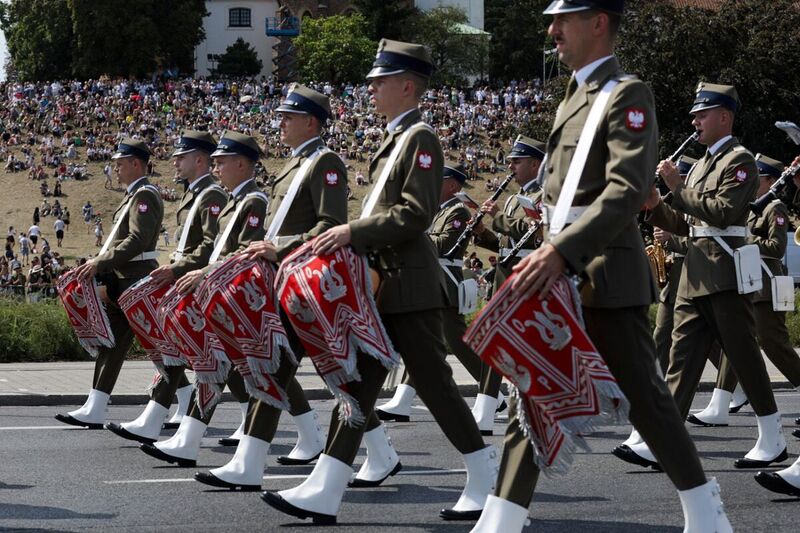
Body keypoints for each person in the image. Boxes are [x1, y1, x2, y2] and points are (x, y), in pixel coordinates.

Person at [471, 3, 731, 532]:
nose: (551, 30)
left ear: (598, 23)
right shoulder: (575, 93)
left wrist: (561, 249)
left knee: (649, 404)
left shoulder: (626, 93)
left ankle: (708, 513)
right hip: (562, 271)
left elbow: (628, 188)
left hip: (603, 275)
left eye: (563, 20)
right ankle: (500, 519)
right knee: (534, 388)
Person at [262, 39, 495, 526]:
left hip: (409, 286)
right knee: (357, 385)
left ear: (407, 85)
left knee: (434, 386)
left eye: (380, 81)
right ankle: (327, 488)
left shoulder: (420, 139)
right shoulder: (396, 139)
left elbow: (415, 214)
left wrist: (351, 231)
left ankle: (484, 474)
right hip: (381, 284)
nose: (371, 88)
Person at [628, 82, 788, 472]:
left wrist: (677, 188)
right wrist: (655, 205)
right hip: (694, 273)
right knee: (681, 361)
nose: (695, 121)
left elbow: (722, 212)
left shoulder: (741, 161)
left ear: (724, 117)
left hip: (723, 271)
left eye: (702, 114)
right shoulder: (700, 164)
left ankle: (772, 435)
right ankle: (663, 439)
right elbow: (685, 223)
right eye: (694, 115)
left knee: (745, 357)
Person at [194, 85, 347, 491]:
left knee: (345, 379)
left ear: (311, 121)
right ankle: (249, 462)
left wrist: (278, 247)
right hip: (286, 282)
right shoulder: (296, 164)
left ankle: (381, 452)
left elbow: (330, 224)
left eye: (288, 117)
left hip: (308, 283)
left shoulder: (324, 162)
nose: (280, 123)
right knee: (273, 367)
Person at [140, 131, 267, 467]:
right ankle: (190, 436)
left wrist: (200, 273)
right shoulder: (233, 199)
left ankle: (188, 435)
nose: (217, 167)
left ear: (242, 163)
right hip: (215, 286)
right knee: (222, 365)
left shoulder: (249, 201)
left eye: (222, 161)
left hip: (232, 292)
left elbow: (239, 253)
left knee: (246, 369)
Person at [105, 131, 226, 445]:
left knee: (225, 362)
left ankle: (286, 428)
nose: (174, 160)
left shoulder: (211, 195)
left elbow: (211, 246)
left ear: (200, 160)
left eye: (181, 156)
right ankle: (166, 420)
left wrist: (177, 268)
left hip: (197, 282)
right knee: (180, 353)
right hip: (184, 281)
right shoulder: (194, 194)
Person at [377, 161, 506, 435]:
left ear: (452, 185)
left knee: (457, 342)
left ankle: (494, 395)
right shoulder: (438, 211)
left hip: (445, 283)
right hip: (432, 280)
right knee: (422, 341)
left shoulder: (457, 211)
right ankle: (403, 400)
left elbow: (444, 245)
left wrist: (413, 233)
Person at [55, 138, 164, 430]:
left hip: (136, 279)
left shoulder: (145, 195)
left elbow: (137, 240)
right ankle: (96, 405)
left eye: (120, 163)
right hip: (122, 280)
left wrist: (101, 263)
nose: (115, 169)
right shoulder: (132, 196)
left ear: (136, 164)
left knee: (158, 346)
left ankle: (182, 398)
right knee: (112, 344)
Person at [689, 153, 800, 427]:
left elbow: (776, 248)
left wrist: (743, 239)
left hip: (766, 284)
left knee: (773, 343)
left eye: (758, 179)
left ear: (770, 181)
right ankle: (721, 402)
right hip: (748, 282)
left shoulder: (775, 208)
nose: (752, 183)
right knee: (734, 341)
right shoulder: (754, 207)